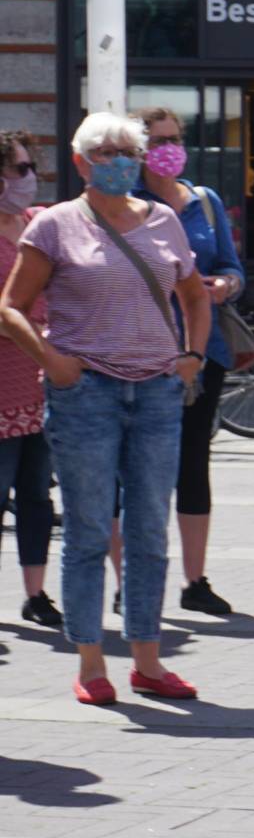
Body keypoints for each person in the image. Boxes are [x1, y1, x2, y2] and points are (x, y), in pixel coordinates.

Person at [0, 112, 210, 704]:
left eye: (128, 151)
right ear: (82, 162)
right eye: (106, 152)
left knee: (148, 531)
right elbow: (11, 307)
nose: (120, 161)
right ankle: (92, 663)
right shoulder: (56, 225)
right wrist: (54, 361)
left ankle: (147, 660)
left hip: (156, 393)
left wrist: (192, 355)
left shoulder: (164, 220)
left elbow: (194, 296)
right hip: (85, 394)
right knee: (89, 529)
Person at [129, 106, 243, 616]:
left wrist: (225, 285)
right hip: (141, 352)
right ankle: (133, 580)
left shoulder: (205, 202)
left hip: (202, 352)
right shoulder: (127, 203)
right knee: (138, 470)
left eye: (174, 138)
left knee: (194, 463)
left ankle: (195, 581)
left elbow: (232, 267)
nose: (168, 149)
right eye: (157, 141)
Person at [0, 130, 59, 630]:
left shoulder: (40, 224)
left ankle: (36, 595)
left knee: (37, 496)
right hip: (3, 385)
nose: (28, 178)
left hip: (43, 385)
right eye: (18, 169)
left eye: (30, 167)